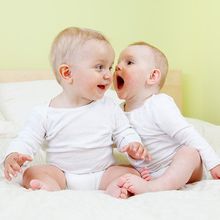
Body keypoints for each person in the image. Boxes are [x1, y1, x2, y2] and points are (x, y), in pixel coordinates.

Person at [3, 27, 150, 199]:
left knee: (131, 172)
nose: (108, 75)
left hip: (103, 172)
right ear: (67, 73)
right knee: (31, 173)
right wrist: (13, 155)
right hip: (62, 174)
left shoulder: (109, 106)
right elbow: (27, 139)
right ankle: (49, 187)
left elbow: (124, 131)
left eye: (109, 67)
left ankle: (114, 187)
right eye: (99, 67)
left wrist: (132, 144)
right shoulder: (45, 113)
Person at [113, 41, 220, 195]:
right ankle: (132, 187)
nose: (118, 66)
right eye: (118, 62)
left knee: (189, 153)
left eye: (129, 62)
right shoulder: (116, 112)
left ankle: (153, 187)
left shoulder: (158, 104)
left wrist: (214, 164)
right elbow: (110, 141)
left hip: (183, 168)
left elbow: (188, 135)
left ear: (152, 76)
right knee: (115, 168)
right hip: (148, 172)